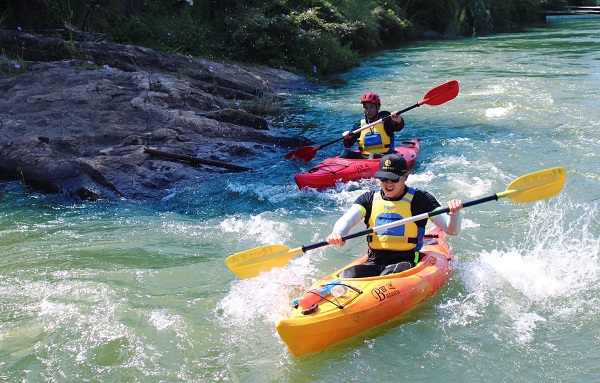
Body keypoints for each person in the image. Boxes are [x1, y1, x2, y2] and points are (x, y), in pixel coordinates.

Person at [326, 153, 464, 278]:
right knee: (347, 275)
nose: (388, 183)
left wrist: (454, 214)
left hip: (406, 261)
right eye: (383, 178)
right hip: (374, 261)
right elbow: (347, 219)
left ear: (406, 177)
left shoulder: (421, 199)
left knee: (389, 274)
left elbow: (451, 230)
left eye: (393, 179)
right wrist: (338, 232)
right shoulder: (368, 199)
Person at [340, 93, 405, 159]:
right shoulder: (359, 124)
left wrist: (398, 120)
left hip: (385, 157)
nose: (368, 110)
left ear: (378, 107)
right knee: (345, 153)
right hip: (365, 157)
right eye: (366, 107)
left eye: (371, 107)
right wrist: (347, 138)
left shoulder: (386, 120)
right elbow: (348, 145)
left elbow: (398, 127)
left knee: (373, 156)